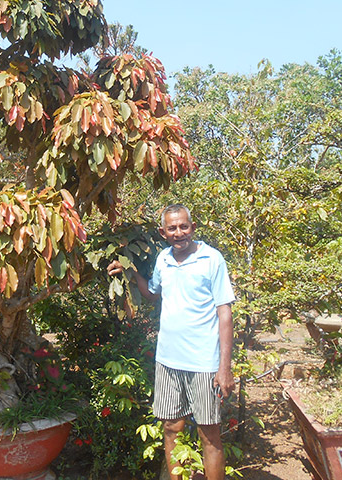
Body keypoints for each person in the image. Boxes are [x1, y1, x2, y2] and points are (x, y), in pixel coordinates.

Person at [107, 204, 235, 480]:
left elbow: (224, 311)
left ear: (193, 227)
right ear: (163, 232)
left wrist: (224, 367)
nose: (179, 233)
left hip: (203, 363)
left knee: (209, 434)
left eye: (184, 226)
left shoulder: (212, 259)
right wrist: (129, 271)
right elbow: (153, 294)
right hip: (167, 361)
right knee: (171, 427)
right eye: (173, 228)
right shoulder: (163, 258)